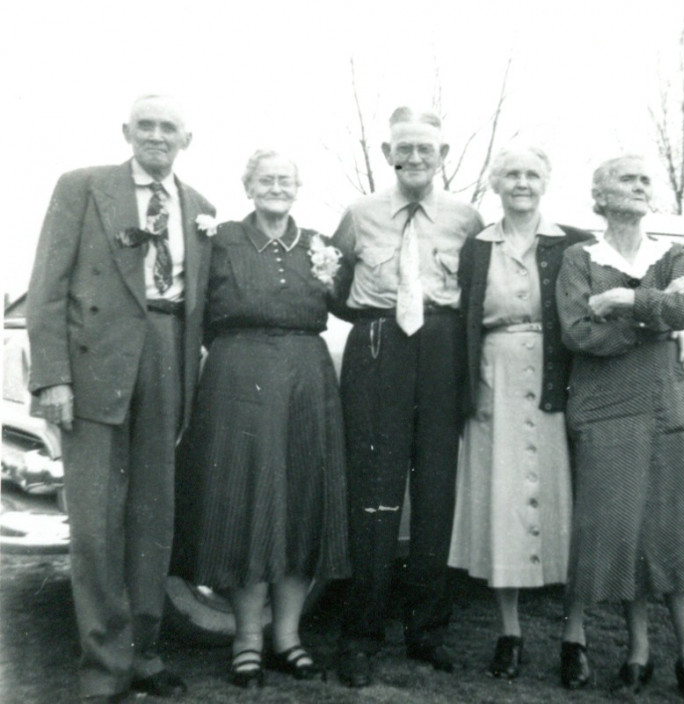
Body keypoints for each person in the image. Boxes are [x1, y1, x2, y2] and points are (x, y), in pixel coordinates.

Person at [26, 95, 215, 703]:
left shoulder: (200, 208)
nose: (157, 135)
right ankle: (105, 668)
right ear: (126, 131)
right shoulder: (82, 187)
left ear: (187, 139)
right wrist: (52, 377)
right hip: (94, 368)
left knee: (154, 518)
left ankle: (145, 654)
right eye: (146, 125)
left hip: (167, 359)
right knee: (97, 524)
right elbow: (47, 287)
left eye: (169, 127)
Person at [172, 150, 350, 689]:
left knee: (299, 504)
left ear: (298, 187)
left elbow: (349, 300)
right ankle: (247, 638)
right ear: (247, 186)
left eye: (285, 179)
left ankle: (288, 636)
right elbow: (192, 308)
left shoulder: (319, 244)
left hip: (306, 378)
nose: (276, 187)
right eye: (265, 179)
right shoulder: (221, 238)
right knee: (246, 504)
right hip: (237, 376)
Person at [555, 155, 684, 703]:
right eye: (626, 179)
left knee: (675, 531)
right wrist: (654, 321)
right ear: (600, 196)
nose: (638, 186)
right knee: (626, 531)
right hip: (605, 409)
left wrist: (626, 300)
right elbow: (578, 331)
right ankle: (638, 651)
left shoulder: (671, 254)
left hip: (667, 406)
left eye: (644, 180)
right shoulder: (579, 258)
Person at [331, 107, 483, 687]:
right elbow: (334, 287)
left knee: (436, 491)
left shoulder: (466, 219)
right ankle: (361, 634)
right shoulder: (359, 214)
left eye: (426, 148)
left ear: (442, 154)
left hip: (442, 347)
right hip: (378, 346)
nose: (415, 157)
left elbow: (479, 291)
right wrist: (375, 323)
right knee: (374, 491)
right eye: (405, 148)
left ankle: (427, 630)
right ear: (387, 152)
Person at [448, 143, 591, 681]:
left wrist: (671, 332)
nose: (522, 183)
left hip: (559, 381)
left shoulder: (574, 243)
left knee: (568, 504)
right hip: (495, 380)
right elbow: (459, 317)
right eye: (512, 174)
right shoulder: (476, 248)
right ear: (496, 184)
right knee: (502, 503)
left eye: (532, 174)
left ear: (546, 181)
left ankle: (575, 637)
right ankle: (509, 633)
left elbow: (618, 297)